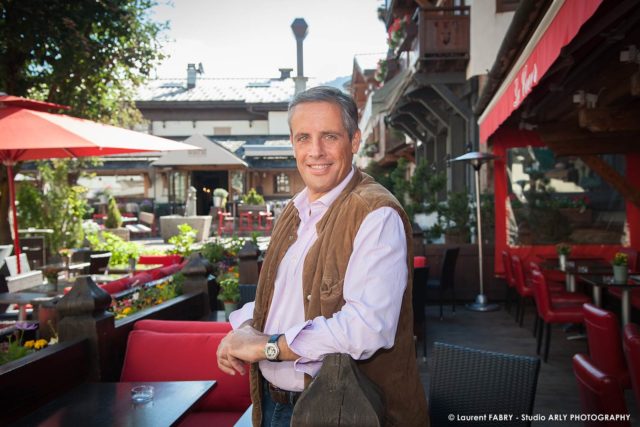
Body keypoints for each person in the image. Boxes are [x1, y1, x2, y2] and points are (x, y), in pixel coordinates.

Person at [216, 86, 428, 427]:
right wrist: (241, 330)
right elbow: (280, 302)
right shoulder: (294, 210)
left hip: (343, 412)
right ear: (293, 143)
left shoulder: (376, 213)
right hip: (274, 404)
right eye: (304, 137)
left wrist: (267, 347)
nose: (315, 151)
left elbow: (368, 328)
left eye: (329, 136)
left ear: (354, 141)